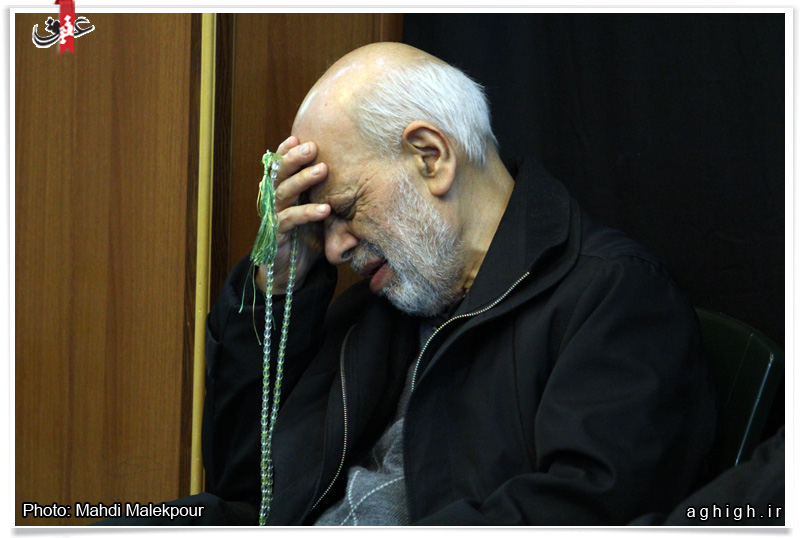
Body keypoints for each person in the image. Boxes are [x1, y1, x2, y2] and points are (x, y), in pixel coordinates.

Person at [100, 42, 716, 526]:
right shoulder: (386, 301)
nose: (334, 249)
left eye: (345, 209)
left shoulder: (613, 298)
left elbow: (584, 513)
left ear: (430, 156)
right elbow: (249, 484)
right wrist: (279, 289)